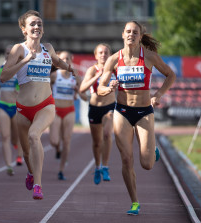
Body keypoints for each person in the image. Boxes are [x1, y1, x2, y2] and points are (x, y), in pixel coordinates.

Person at [97, 21, 176, 215]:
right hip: (122, 112)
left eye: (135, 32)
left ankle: (152, 149)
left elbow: (170, 75)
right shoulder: (114, 59)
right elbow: (100, 87)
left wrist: (157, 95)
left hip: (144, 113)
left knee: (147, 164)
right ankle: (134, 202)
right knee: (126, 159)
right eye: (128, 31)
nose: (131, 34)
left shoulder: (149, 56)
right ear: (123, 34)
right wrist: (107, 88)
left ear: (140, 36)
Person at [0, 10, 76, 200]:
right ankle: (31, 172)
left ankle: (38, 185)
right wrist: (25, 60)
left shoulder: (48, 48)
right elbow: (4, 76)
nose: (37, 27)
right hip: (23, 109)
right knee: (26, 152)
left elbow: (57, 61)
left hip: (46, 104)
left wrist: (70, 69)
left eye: (40, 24)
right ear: (24, 29)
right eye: (33, 24)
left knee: (35, 136)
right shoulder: (19, 49)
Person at [79, 43, 116, 185]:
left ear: (110, 55)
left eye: (106, 52)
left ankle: (105, 167)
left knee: (107, 135)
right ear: (95, 55)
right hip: (95, 107)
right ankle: (98, 166)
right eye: (100, 52)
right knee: (97, 142)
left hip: (110, 107)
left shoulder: (114, 69)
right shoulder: (92, 70)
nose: (103, 55)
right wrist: (97, 76)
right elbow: (82, 89)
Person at [49, 51, 87, 181]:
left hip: (69, 110)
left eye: (67, 59)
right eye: (62, 59)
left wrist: (78, 91)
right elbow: (45, 91)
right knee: (54, 141)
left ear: (71, 60)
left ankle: (61, 170)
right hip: (56, 110)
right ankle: (57, 149)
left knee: (67, 140)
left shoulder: (76, 77)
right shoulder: (54, 76)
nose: (65, 61)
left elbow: (85, 97)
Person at [0, 45, 23, 176]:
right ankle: (9, 165)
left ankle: (19, 153)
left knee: (16, 138)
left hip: (16, 107)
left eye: (11, 53)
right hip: (3, 106)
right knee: (5, 137)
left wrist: (19, 90)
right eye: (7, 53)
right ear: (4, 54)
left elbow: (26, 87)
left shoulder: (19, 70)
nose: (9, 55)